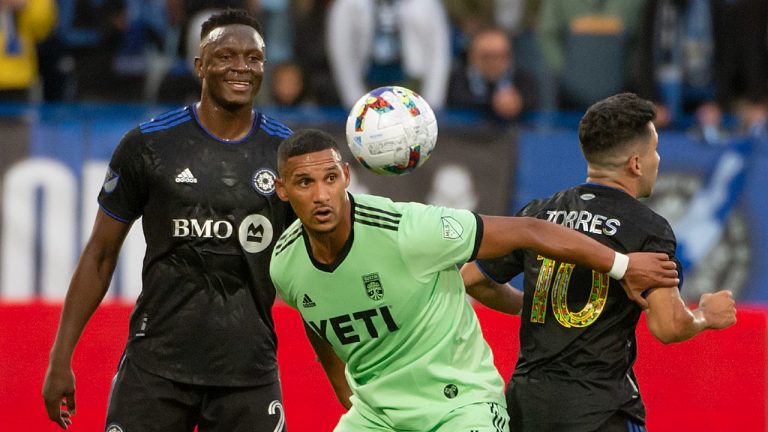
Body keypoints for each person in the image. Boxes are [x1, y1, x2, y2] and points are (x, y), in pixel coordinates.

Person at [268, 128, 679, 431]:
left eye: (329, 179)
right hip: (378, 414)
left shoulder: (409, 230)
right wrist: (347, 395)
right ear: (283, 190)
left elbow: (529, 231)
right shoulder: (285, 264)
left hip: (460, 408)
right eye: (305, 183)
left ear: (346, 176)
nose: (321, 195)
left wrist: (620, 266)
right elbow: (316, 314)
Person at [42, 9, 293, 431]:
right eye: (226, 55)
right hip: (155, 367)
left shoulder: (286, 153)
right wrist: (60, 358)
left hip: (248, 371)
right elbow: (101, 254)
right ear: (200, 65)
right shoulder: (149, 145)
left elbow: (322, 261)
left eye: (253, 58)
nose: (241, 67)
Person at [461, 93, 738, 431]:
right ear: (636, 163)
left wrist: (527, 304)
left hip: (528, 404)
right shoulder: (647, 228)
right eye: (654, 150)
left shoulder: (539, 214)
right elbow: (668, 326)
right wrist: (707, 315)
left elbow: (473, 278)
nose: (658, 159)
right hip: (601, 409)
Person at [446, 27, 538, 122]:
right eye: (487, 57)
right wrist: (493, 103)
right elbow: (457, 101)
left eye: (501, 56)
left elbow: (532, 103)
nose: (495, 63)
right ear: (472, 56)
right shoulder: (457, 79)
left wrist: (517, 103)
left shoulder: (524, 80)